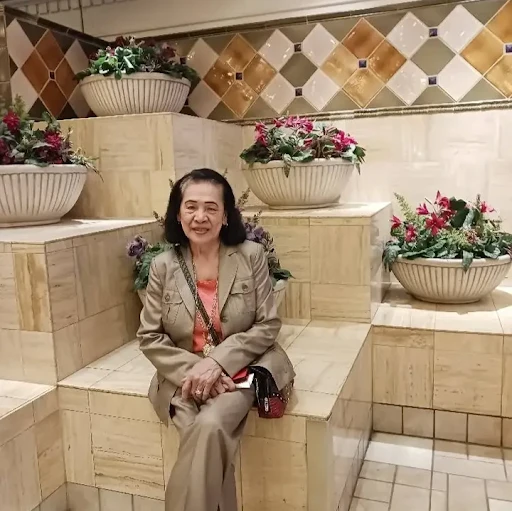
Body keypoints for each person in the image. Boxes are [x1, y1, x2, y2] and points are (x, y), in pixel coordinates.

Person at [137, 168, 295, 511]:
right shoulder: (162, 266)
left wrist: (217, 363)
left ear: (225, 216)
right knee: (204, 437)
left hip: (240, 371)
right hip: (182, 376)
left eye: (211, 208)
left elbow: (268, 325)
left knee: (208, 425)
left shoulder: (250, 256)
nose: (200, 216)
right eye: (191, 207)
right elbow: (149, 337)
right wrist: (197, 370)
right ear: (177, 214)